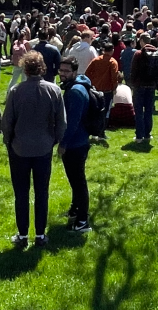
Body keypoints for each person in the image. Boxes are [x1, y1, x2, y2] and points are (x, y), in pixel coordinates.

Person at [2, 52, 66, 248]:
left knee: (21, 193)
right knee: (42, 192)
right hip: (43, 148)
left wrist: (9, 141)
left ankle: (22, 235)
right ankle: (39, 234)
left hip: (19, 148)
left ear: (25, 69)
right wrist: (53, 140)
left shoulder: (16, 91)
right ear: (42, 68)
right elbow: (61, 122)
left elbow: (7, 123)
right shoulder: (54, 91)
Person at [58, 55, 93, 232]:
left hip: (76, 144)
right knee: (75, 181)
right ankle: (75, 210)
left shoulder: (75, 92)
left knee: (78, 182)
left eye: (66, 71)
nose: (62, 74)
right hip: (79, 141)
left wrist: (63, 143)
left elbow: (72, 122)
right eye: (61, 70)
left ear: (74, 72)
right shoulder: (77, 86)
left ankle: (82, 222)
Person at [129, 39, 158, 143]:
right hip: (151, 86)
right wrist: (155, 83)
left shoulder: (138, 54)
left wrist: (133, 82)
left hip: (139, 86)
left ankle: (139, 136)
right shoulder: (157, 54)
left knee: (138, 111)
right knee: (148, 111)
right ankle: (147, 134)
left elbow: (133, 69)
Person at [85, 40, 120, 138]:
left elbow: (87, 73)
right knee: (104, 112)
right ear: (112, 50)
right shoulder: (113, 62)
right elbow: (114, 77)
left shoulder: (96, 60)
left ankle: (92, 131)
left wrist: (92, 82)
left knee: (93, 110)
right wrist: (114, 88)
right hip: (107, 90)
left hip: (95, 89)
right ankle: (101, 133)